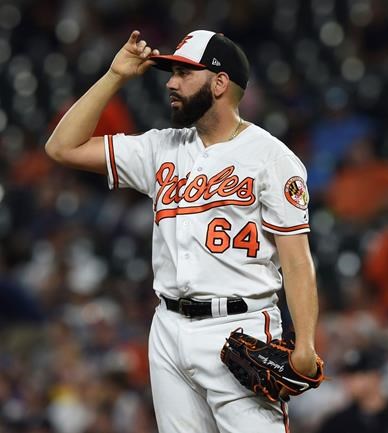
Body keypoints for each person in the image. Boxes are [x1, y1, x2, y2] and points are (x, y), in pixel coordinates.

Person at [45, 29, 320, 433]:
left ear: (220, 82)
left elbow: (297, 262)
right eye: (171, 73)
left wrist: (307, 343)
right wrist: (115, 77)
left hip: (239, 329)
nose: (171, 82)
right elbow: (61, 148)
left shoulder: (272, 158)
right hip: (168, 328)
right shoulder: (160, 148)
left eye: (184, 73)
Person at [318, 347, 388, 433]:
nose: (348, 382)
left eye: (356, 375)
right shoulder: (338, 423)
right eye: (346, 376)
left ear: (375, 377)